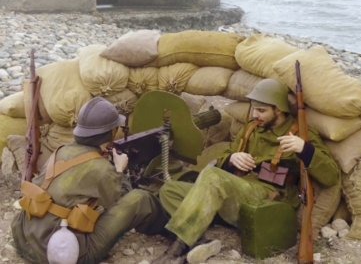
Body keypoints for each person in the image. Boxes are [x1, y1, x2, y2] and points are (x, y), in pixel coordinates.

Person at [154, 78, 341, 264]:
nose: (255, 115)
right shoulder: (251, 129)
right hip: (235, 194)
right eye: (253, 109)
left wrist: (305, 150)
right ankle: (199, 239)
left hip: (266, 199)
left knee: (212, 176)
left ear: (279, 109)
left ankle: (179, 248)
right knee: (169, 190)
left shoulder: (301, 134)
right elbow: (224, 158)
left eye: (261, 110)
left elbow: (331, 176)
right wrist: (231, 159)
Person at [12, 97, 168, 264]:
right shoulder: (101, 168)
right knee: (140, 199)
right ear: (112, 132)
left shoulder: (61, 151)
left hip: (24, 237)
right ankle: (171, 228)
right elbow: (124, 200)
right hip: (61, 253)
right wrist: (119, 170)